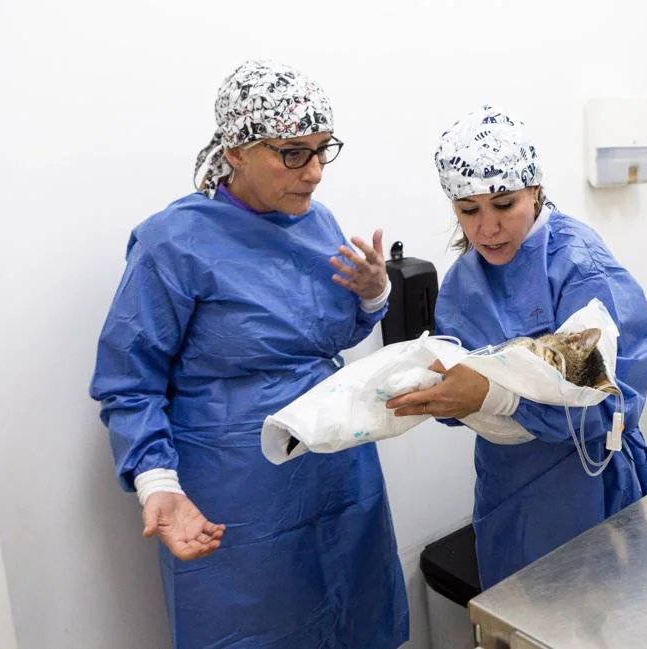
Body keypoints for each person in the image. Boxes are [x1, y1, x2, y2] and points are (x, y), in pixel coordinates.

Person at [89, 60, 408, 648]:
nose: (313, 173)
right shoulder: (174, 243)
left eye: (322, 151)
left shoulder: (318, 223)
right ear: (235, 151)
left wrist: (373, 296)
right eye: (293, 153)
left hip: (337, 469)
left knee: (354, 619)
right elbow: (129, 381)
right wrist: (158, 483)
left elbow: (324, 338)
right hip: (238, 493)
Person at [387, 105, 647, 589]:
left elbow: (610, 397)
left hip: (587, 482)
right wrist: (441, 392)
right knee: (516, 615)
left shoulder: (578, 264)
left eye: (504, 204)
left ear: (534, 189)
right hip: (506, 489)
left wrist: (498, 396)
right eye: (468, 211)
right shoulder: (465, 280)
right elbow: (462, 391)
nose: (486, 228)